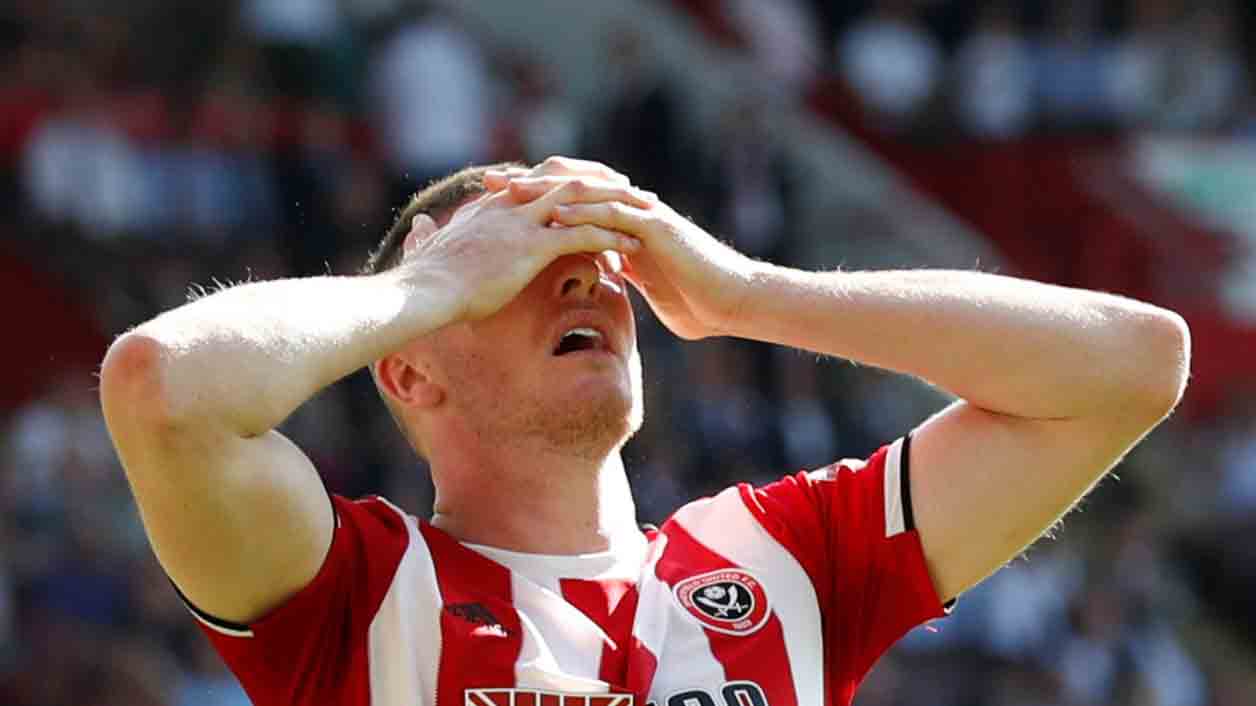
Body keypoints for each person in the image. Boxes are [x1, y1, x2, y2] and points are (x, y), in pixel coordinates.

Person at [99, 156, 1190, 706]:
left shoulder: (786, 560)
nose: (583, 277)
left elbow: (1132, 366)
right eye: (518, 265)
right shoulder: (359, 595)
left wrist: (748, 293)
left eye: (596, 256)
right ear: (409, 366)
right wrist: (430, 281)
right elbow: (162, 389)